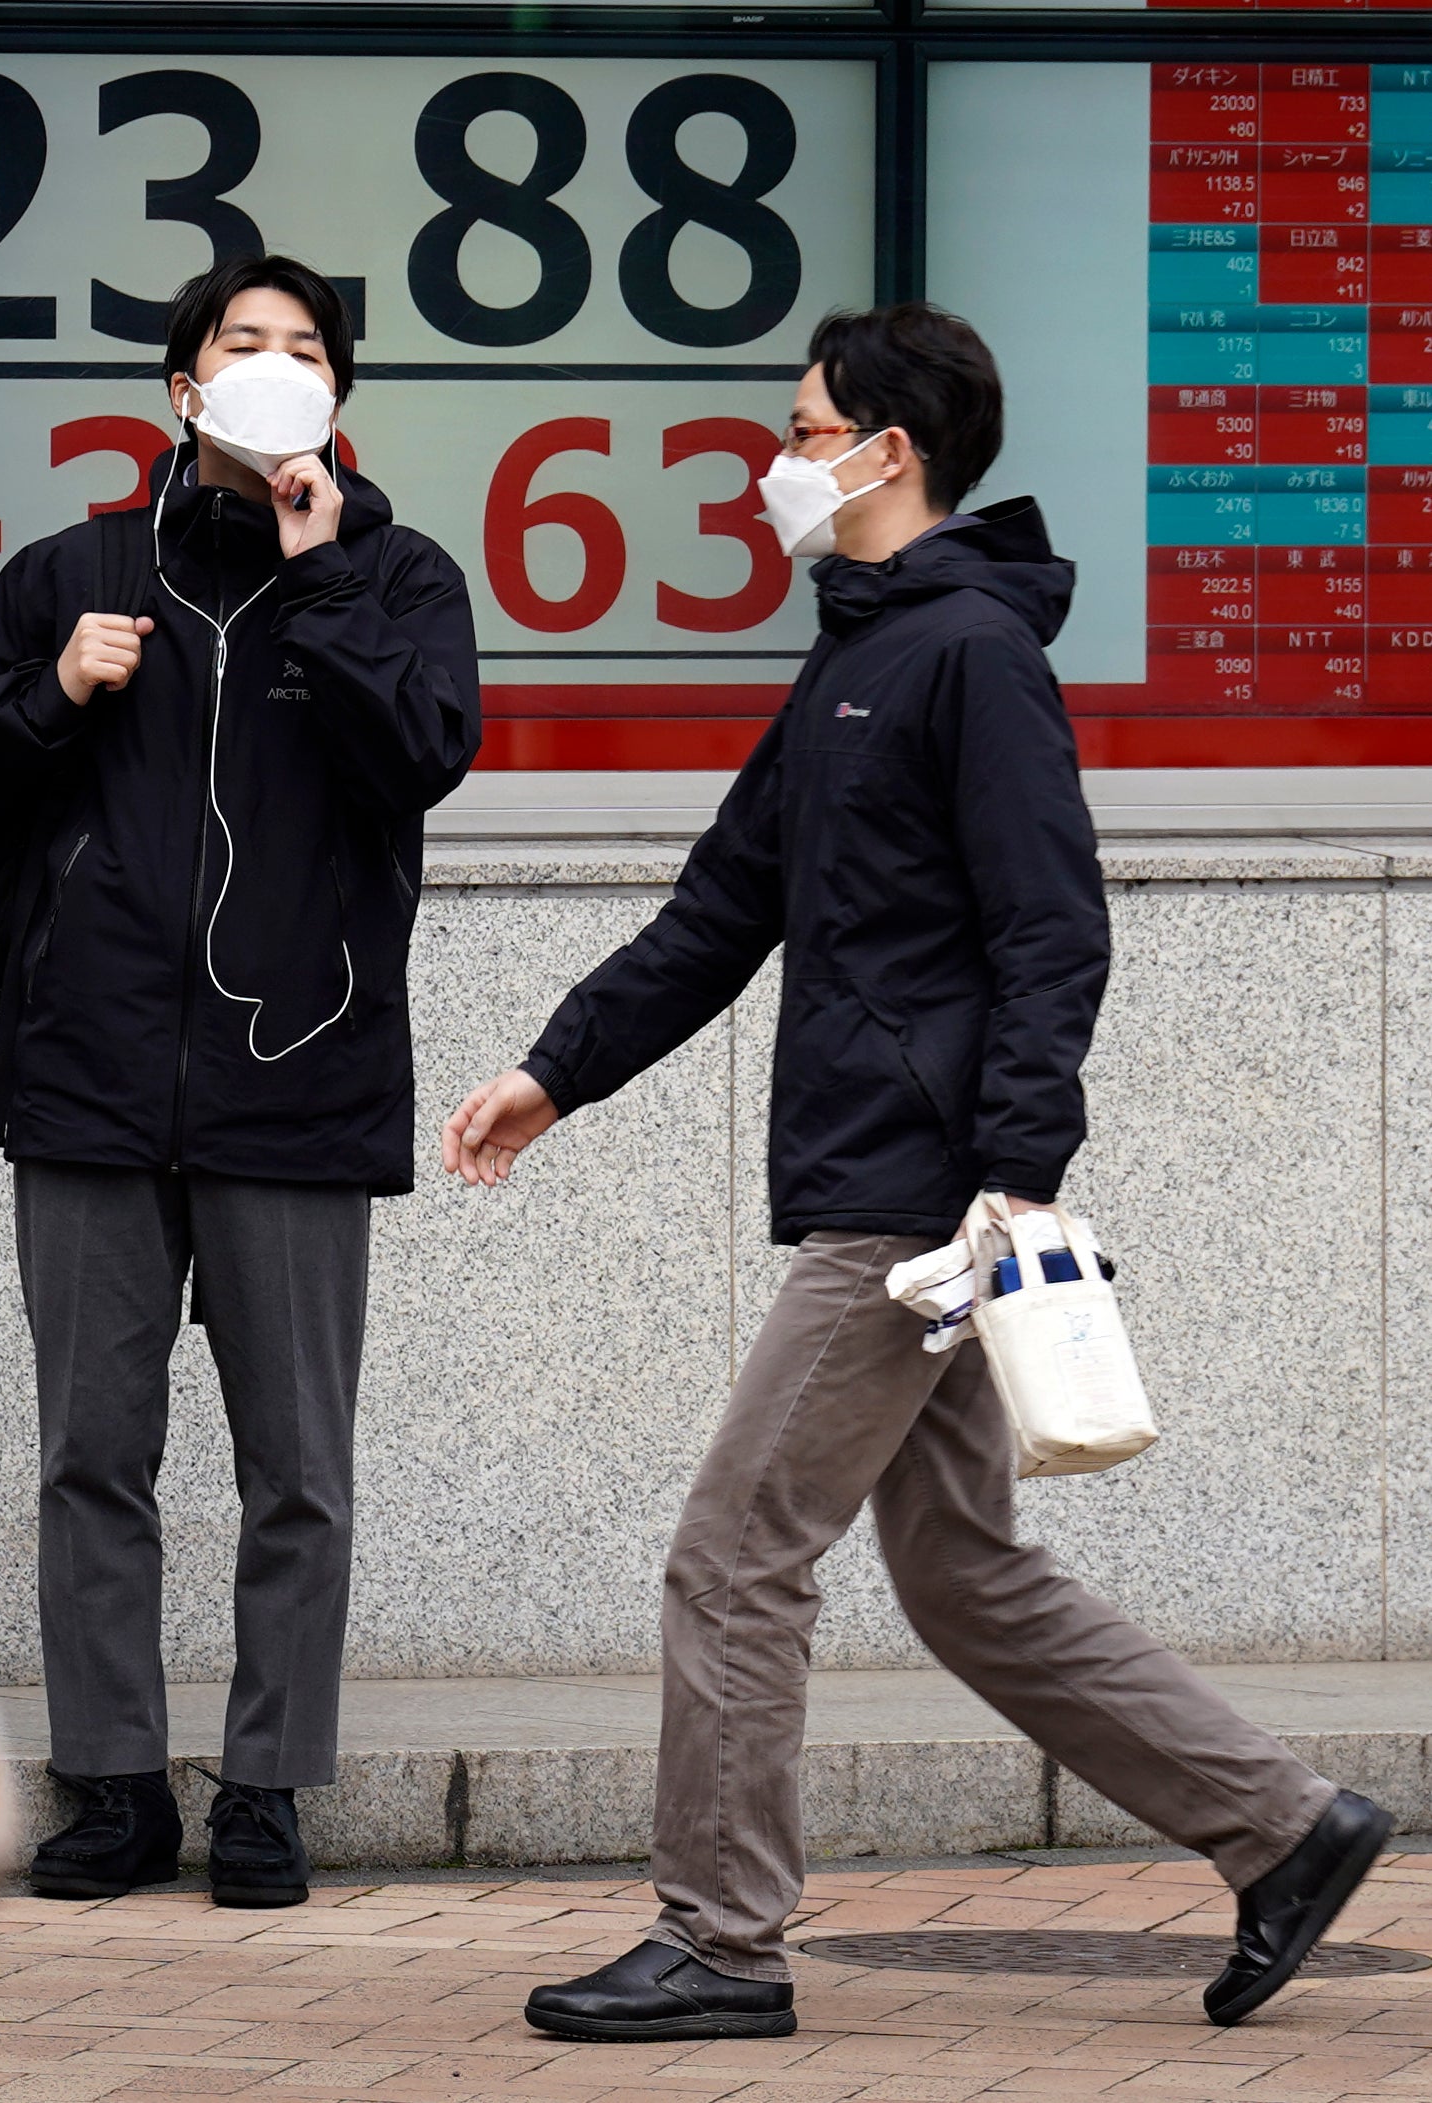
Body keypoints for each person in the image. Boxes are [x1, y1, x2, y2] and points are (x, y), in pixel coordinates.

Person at [441, 303, 1383, 2041]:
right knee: (960, 1570)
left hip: (914, 1207)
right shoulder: (858, 655)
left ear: (888, 451)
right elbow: (724, 905)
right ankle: (1284, 1827)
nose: (774, 465)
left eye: (801, 431)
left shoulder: (970, 655)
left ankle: (722, 1943)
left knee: (736, 1553)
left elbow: (1053, 930)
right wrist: (555, 1072)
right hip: (904, 1187)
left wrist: (1016, 1175)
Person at [0, 255, 481, 1908]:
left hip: (298, 1078)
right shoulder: (72, 572)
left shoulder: (398, 576)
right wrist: (53, 688)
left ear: (339, 398)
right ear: (184, 388)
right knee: (92, 1453)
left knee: (296, 1468)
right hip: (88, 1073)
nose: (275, 365)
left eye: (306, 348)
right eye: (244, 343)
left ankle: (267, 1790)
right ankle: (107, 1786)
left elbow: (426, 752)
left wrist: (318, 581)